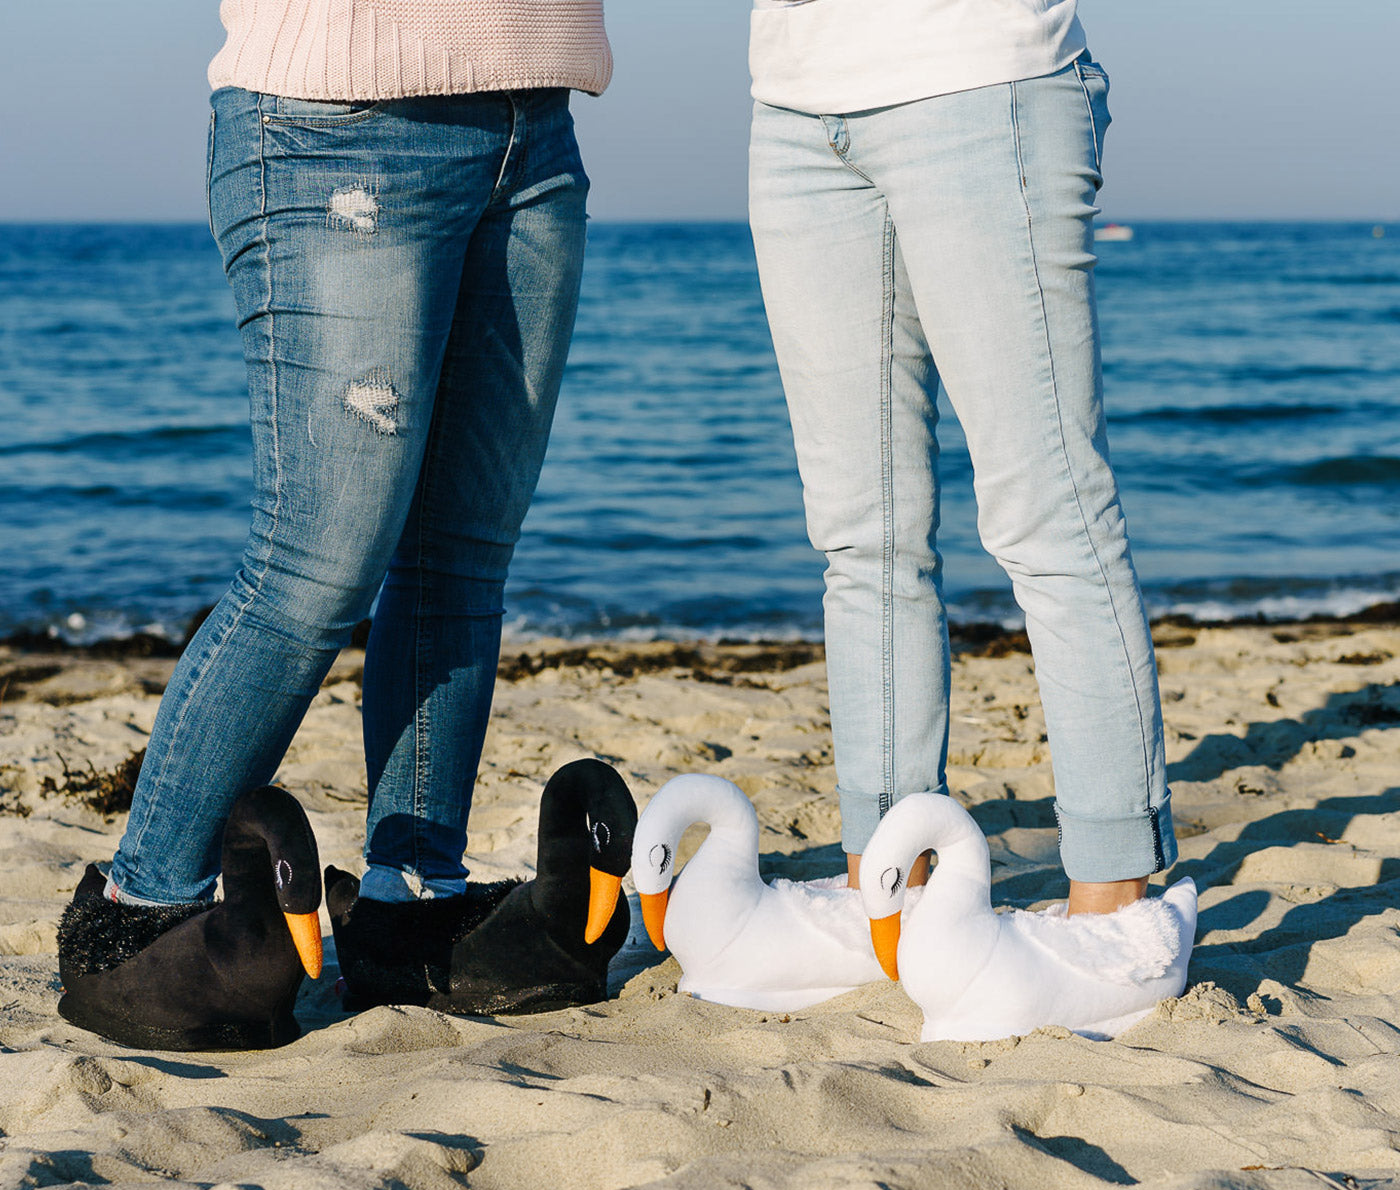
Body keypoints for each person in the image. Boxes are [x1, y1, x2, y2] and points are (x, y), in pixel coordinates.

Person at [62, 3, 611, 973]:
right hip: (333, 118)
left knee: (462, 553)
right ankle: (137, 912)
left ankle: (411, 899)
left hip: (536, 125)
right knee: (315, 566)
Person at [747, 0, 1176, 912]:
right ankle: (885, 890)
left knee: (1048, 517)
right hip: (795, 109)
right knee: (862, 538)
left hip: (982, 83)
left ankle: (1113, 908)